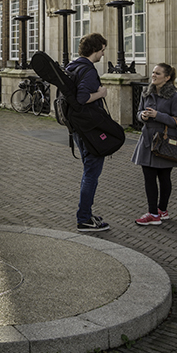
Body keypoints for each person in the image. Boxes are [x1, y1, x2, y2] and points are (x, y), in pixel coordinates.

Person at [66, 33, 110, 232]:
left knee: (88, 171)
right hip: (89, 129)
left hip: (77, 128)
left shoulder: (72, 67)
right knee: (91, 173)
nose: (103, 54)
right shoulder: (89, 71)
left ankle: (85, 214)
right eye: (102, 50)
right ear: (95, 50)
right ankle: (84, 218)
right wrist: (100, 94)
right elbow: (82, 97)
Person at [132, 63, 177, 225]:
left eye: (158, 73)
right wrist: (143, 116)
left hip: (164, 142)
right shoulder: (146, 92)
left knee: (164, 177)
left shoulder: (175, 97)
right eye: (153, 72)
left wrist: (158, 115)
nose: (153, 75)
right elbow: (139, 113)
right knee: (149, 176)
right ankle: (153, 213)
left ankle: (162, 210)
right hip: (147, 140)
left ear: (167, 78)